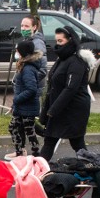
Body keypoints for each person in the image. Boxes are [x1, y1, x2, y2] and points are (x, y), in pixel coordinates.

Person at [38, 26, 96, 161]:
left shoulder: (77, 61)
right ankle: (40, 170)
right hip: (60, 108)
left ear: (70, 40)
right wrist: (48, 109)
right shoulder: (62, 59)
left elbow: (71, 88)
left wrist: (53, 110)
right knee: (50, 140)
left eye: (60, 41)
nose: (57, 45)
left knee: (77, 143)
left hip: (73, 109)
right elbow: (53, 84)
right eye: (56, 41)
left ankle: (92, 167)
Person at [7, 40, 45, 159]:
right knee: (13, 127)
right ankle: (20, 152)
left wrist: (17, 99)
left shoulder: (28, 68)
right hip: (21, 106)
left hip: (27, 107)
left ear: (22, 52)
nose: (16, 52)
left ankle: (36, 155)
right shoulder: (24, 65)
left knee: (29, 131)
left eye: (18, 50)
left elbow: (31, 89)